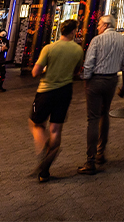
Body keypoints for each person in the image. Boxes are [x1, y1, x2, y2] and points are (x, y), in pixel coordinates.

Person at [29, 19, 84, 183]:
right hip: (65, 91)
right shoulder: (78, 50)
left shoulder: (49, 48)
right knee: (56, 128)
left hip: (46, 91)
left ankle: (46, 145)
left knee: (35, 123)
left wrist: (47, 69)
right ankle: (47, 165)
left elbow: (35, 72)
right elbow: (77, 71)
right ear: (73, 31)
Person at [78, 14, 124, 175]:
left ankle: (90, 160)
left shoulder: (97, 40)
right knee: (104, 114)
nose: (98, 27)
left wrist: (86, 82)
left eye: (100, 24)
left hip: (96, 80)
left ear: (106, 25)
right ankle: (101, 151)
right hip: (111, 80)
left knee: (92, 119)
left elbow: (89, 64)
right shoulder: (122, 40)